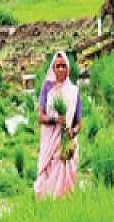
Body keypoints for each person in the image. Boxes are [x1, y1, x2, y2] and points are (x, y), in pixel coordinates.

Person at [35, 51, 82, 199]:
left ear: (68, 69)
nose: (61, 69)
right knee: (47, 176)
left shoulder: (74, 91)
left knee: (65, 178)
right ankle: (46, 206)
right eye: (58, 66)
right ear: (53, 69)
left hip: (66, 143)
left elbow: (78, 122)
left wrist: (72, 133)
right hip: (50, 142)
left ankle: (63, 207)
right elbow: (40, 117)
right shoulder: (47, 88)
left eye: (63, 66)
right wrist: (55, 120)